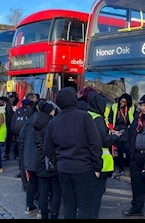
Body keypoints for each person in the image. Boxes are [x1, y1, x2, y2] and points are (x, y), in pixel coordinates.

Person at [43, 87, 102, 219]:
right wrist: (97, 166)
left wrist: (57, 162)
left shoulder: (54, 122)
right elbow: (95, 143)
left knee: (69, 207)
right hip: (84, 168)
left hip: (64, 169)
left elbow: (47, 147)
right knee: (85, 208)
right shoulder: (84, 117)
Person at [87, 91, 118, 219]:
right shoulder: (98, 119)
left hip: (86, 161)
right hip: (100, 163)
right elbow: (103, 140)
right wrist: (114, 137)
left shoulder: (87, 115)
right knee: (96, 195)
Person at [123, 94, 145, 217]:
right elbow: (130, 135)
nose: (142, 107)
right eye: (141, 105)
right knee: (136, 184)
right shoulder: (138, 118)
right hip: (136, 156)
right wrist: (130, 150)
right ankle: (136, 207)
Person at [34, 101, 61, 219]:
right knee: (56, 190)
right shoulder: (53, 123)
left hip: (40, 159)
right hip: (52, 158)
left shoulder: (36, 121)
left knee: (43, 190)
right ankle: (54, 215)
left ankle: (43, 214)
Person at [108, 93, 135, 178]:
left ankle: (130, 170)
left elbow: (133, 120)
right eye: (121, 102)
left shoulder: (132, 108)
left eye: (125, 102)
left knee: (128, 152)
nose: (122, 104)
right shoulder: (114, 107)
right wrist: (112, 130)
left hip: (127, 131)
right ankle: (120, 169)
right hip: (117, 131)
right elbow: (110, 119)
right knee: (119, 152)